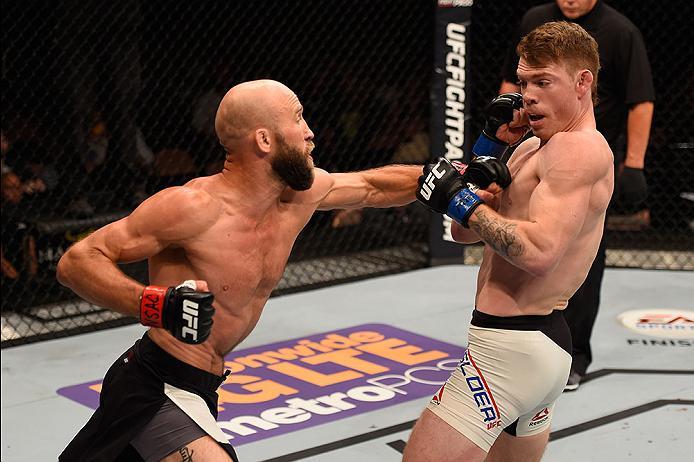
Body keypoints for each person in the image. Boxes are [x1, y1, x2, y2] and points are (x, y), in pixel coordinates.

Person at [56, 79, 421, 462]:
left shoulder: (300, 196)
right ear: (264, 140)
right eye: (298, 118)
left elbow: (372, 186)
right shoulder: (193, 207)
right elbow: (77, 261)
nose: (310, 132)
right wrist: (158, 306)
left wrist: (449, 176)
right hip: (155, 385)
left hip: (201, 386)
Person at [404, 21, 614, 461]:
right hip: (533, 345)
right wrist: (486, 152)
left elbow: (539, 253)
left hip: (509, 350)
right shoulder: (530, 147)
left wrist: (463, 205)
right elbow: (464, 233)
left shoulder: (578, 149)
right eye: (523, 82)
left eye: (543, 81)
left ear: (582, 82)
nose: (529, 94)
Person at [499, 0, 655, 390]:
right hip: (536, 142)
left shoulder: (620, 31)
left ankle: (573, 355)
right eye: (526, 84)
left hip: (587, 150)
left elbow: (640, 99)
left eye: (541, 82)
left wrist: (634, 162)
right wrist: (498, 130)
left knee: (578, 251)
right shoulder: (535, 19)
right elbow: (509, 80)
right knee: (519, 228)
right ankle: (527, 339)